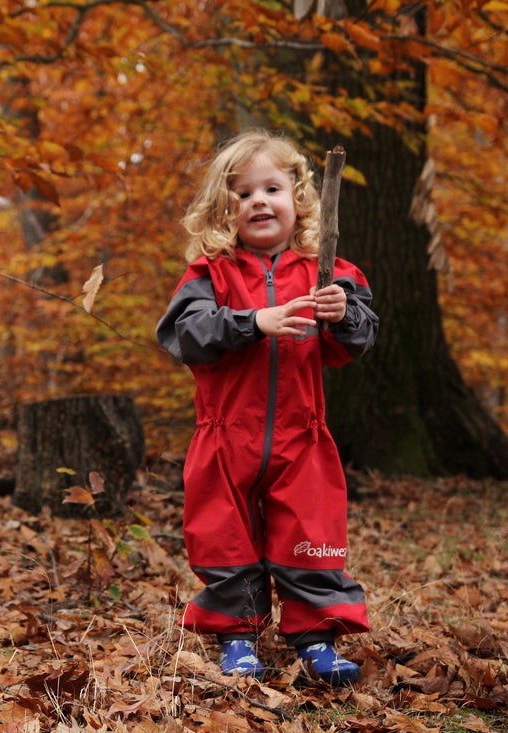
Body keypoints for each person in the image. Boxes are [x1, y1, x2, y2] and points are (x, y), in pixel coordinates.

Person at [156, 129, 378, 685]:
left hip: (302, 435)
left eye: (272, 189)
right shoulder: (210, 274)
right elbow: (186, 334)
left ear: (297, 198)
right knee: (223, 538)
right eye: (243, 192)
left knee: (310, 535)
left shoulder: (325, 273)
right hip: (226, 436)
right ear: (223, 208)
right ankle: (237, 637)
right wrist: (254, 322)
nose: (259, 201)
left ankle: (316, 640)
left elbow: (359, 339)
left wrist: (342, 314)